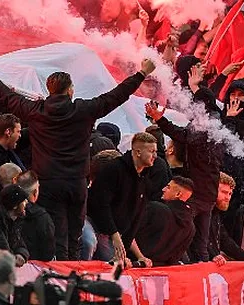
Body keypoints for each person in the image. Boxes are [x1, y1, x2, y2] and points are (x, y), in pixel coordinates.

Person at [0, 57, 156, 260]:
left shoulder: (35, 111)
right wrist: (141, 74)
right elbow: (115, 96)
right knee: (74, 238)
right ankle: (72, 277)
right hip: (76, 183)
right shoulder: (84, 110)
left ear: (50, 90)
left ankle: (59, 277)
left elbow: (5, 96)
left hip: (48, 183)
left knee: (55, 236)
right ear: (70, 91)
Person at [145, 62, 225, 262]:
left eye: (195, 103)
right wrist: (195, 85)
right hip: (203, 189)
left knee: (192, 238)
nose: (191, 108)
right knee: (197, 240)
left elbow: (186, 137)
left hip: (201, 193)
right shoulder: (208, 117)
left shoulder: (208, 122)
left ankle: (192, 270)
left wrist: (160, 120)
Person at [87, 133, 158, 267]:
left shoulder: (145, 179)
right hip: (99, 228)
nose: (155, 156)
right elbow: (101, 205)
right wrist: (114, 235)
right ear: (138, 152)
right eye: (151, 151)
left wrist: (133, 253)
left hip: (116, 235)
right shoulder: (114, 169)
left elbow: (135, 218)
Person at [135, 176, 195, 266]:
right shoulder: (191, 227)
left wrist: (139, 256)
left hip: (136, 265)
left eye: (168, 187)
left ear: (178, 194)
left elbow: (130, 233)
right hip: (162, 273)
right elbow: (175, 258)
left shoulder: (155, 208)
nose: (163, 189)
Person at [16, 170, 55, 261]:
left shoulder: (5, 210)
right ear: (35, 192)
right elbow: (48, 253)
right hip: (36, 268)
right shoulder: (42, 218)